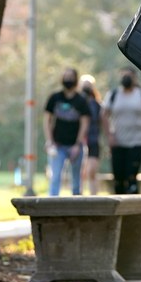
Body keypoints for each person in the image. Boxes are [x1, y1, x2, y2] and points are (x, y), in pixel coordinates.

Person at [103, 68, 141, 194]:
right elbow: (104, 115)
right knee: (118, 178)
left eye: (129, 76)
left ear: (135, 78)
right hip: (118, 142)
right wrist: (109, 135)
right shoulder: (113, 95)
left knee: (132, 176)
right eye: (123, 75)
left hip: (138, 141)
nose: (126, 78)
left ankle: (134, 210)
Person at [43, 67, 89, 196]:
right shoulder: (55, 98)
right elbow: (47, 120)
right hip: (58, 145)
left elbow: (84, 123)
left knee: (76, 181)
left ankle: (77, 209)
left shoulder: (81, 100)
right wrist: (50, 141)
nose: (68, 79)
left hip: (75, 146)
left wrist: (77, 144)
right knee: (55, 177)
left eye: (71, 77)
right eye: (65, 76)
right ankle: (52, 207)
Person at [79, 74, 103, 195]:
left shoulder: (97, 105)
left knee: (91, 171)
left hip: (93, 141)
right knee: (80, 172)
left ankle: (94, 197)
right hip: (80, 141)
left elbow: (103, 122)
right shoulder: (76, 102)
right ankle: (79, 196)